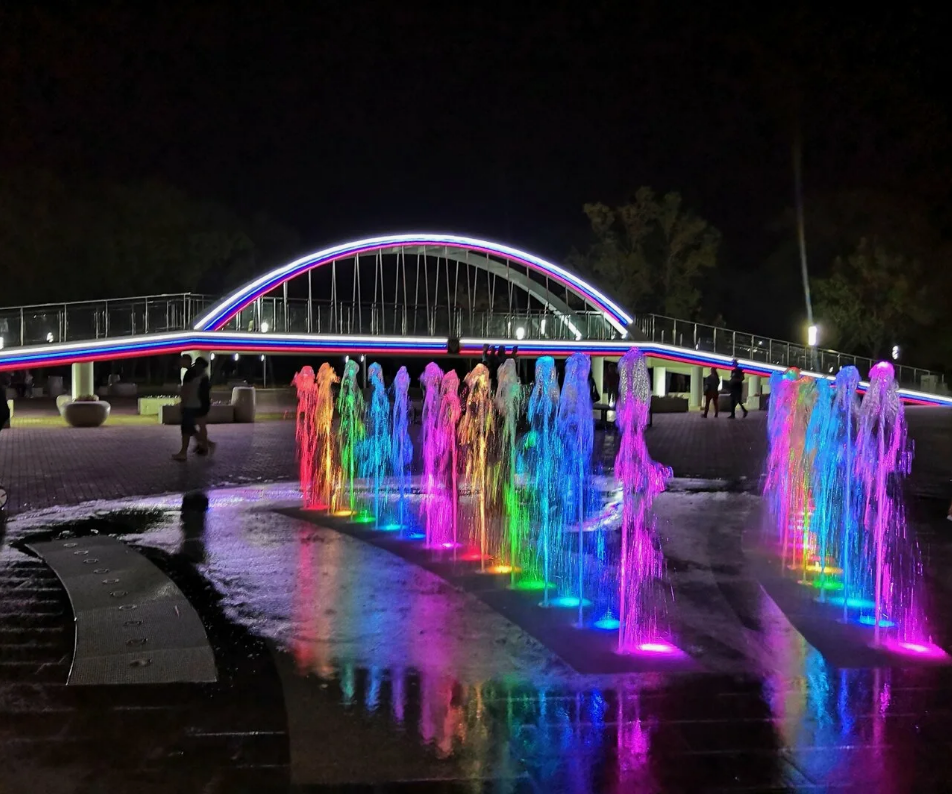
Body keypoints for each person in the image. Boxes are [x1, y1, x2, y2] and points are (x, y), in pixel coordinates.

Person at [172, 355, 201, 461]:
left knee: (185, 429)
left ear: (186, 361)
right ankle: (206, 444)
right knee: (190, 428)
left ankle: (183, 453)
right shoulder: (194, 372)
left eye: (182, 360)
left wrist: (183, 404)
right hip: (194, 404)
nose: (180, 362)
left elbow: (187, 390)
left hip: (189, 405)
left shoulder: (189, 374)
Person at [192, 357, 216, 455]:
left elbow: (202, 393)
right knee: (193, 425)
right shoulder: (200, 377)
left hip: (202, 404)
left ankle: (206, 445)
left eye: (197, 365)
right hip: (198, 403)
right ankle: (204, 444)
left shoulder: (204, 378)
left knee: (200, 425)